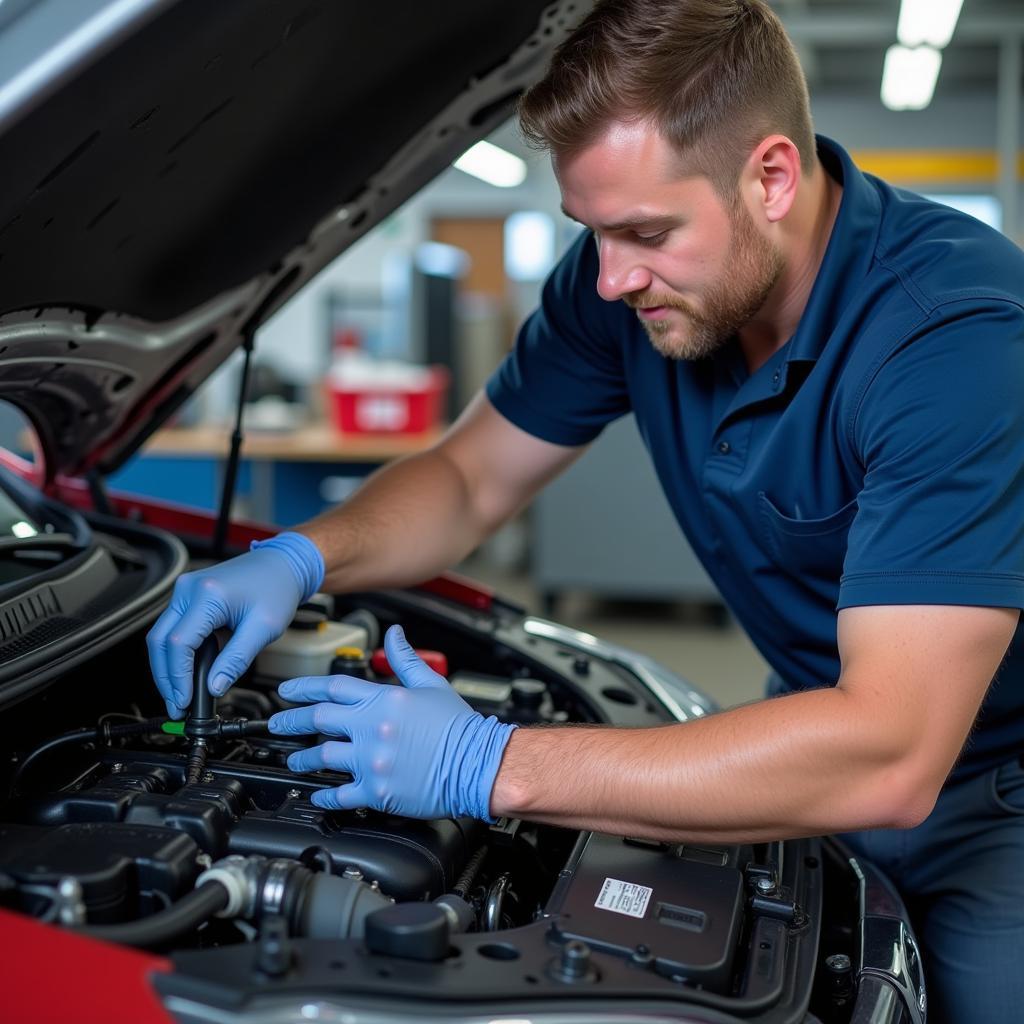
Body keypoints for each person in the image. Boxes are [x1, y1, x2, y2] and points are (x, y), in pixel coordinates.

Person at [147, 2, 1024, 1019]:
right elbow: (470, 477)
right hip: (803, 723)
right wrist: (301, 553)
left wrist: (490, 762)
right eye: (592, 233)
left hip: (986, 790)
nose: (610, 278)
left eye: (646, 232)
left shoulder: (956, 340)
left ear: (771, 178)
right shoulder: (622, 287)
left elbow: (890, 751)